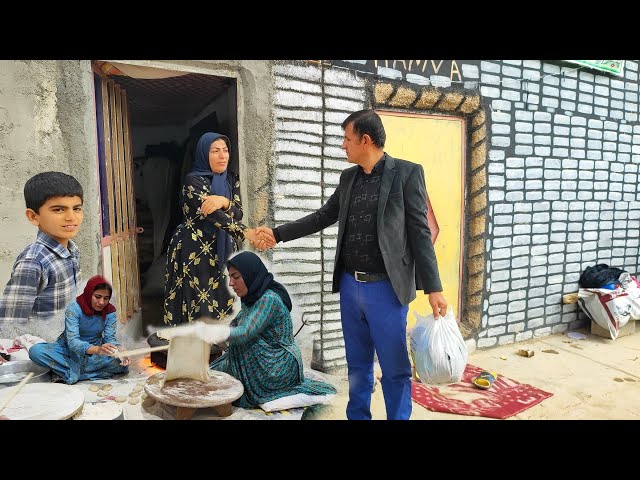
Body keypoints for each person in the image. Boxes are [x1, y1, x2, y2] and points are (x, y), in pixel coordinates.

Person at [255, 109, 448, 420]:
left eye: (347, 138)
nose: (343, 145)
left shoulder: (408, 174)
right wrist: (278, 235)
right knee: (357, 365)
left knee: (395, 368)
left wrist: (434, 288)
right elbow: (323, 216)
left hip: (387, 289)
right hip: (350, 285)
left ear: (365, 140)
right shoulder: (348, 178)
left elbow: (421, 234)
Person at [205, 251, 336, 409]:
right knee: (211, 375)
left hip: (279, 365)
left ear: (250, 274)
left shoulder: (269, 300)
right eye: (230, 277)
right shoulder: (251, 298)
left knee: (243, 346)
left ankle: (252, 389)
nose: (231, 283)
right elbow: (235, 325)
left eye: (236, 277)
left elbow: (245, 332)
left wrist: (216, 333)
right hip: (266, 359)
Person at [163, 132, 261, 326]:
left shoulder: (231, 179)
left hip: (224, 247)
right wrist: (247, 233)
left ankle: (222, 349)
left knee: (226, 295)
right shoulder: (193, 181)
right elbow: (214, 216)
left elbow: (238, 212)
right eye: (215, 151)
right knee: (198, 304)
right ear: (203, 154)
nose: (223, 156)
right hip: (195, 250)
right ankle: (198, 352)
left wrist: (224, 201)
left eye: (225, 151)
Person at [0, 171, 84, 362]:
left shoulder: (72, 251)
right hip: (44, 357)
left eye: (77, 208)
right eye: (58, 210)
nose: (71, 217)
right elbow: (9, 323)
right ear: (33, 216)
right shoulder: (33, 261)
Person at [28, 275, 130, 384]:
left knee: (121, 365)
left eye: (106, 298)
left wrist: (119, 350)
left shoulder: (110, 311)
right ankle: (86, 372)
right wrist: (97, 349)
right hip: (68, 349)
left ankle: (68, 372)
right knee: (35, 351)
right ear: (89, 293)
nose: (101, 302)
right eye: (97, 296)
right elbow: (72, 342)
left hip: (95, 351)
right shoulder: (74, 309)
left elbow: (110, 339)